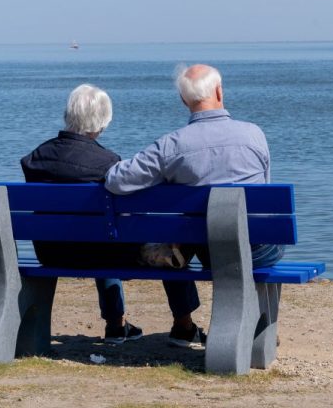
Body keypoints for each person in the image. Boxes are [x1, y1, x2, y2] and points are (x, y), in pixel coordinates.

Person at [105, 64, 284, 349]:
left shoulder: (170, 146)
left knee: (172, 240)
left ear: (183, 100)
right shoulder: (254, 135)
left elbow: (116, 181)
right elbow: (264, 192)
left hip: (205, 250)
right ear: (219, 91)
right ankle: (258, 329)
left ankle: (184, 325)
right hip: (256, 250)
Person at [20, 84, 142, 345]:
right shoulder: (108, 162)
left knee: (98, 236)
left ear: (68, 115)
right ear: (102, 122)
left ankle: (116, 324)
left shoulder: (35, 158)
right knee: (105, 237)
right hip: (98, 252)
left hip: (50, 251)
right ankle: (115, 325)